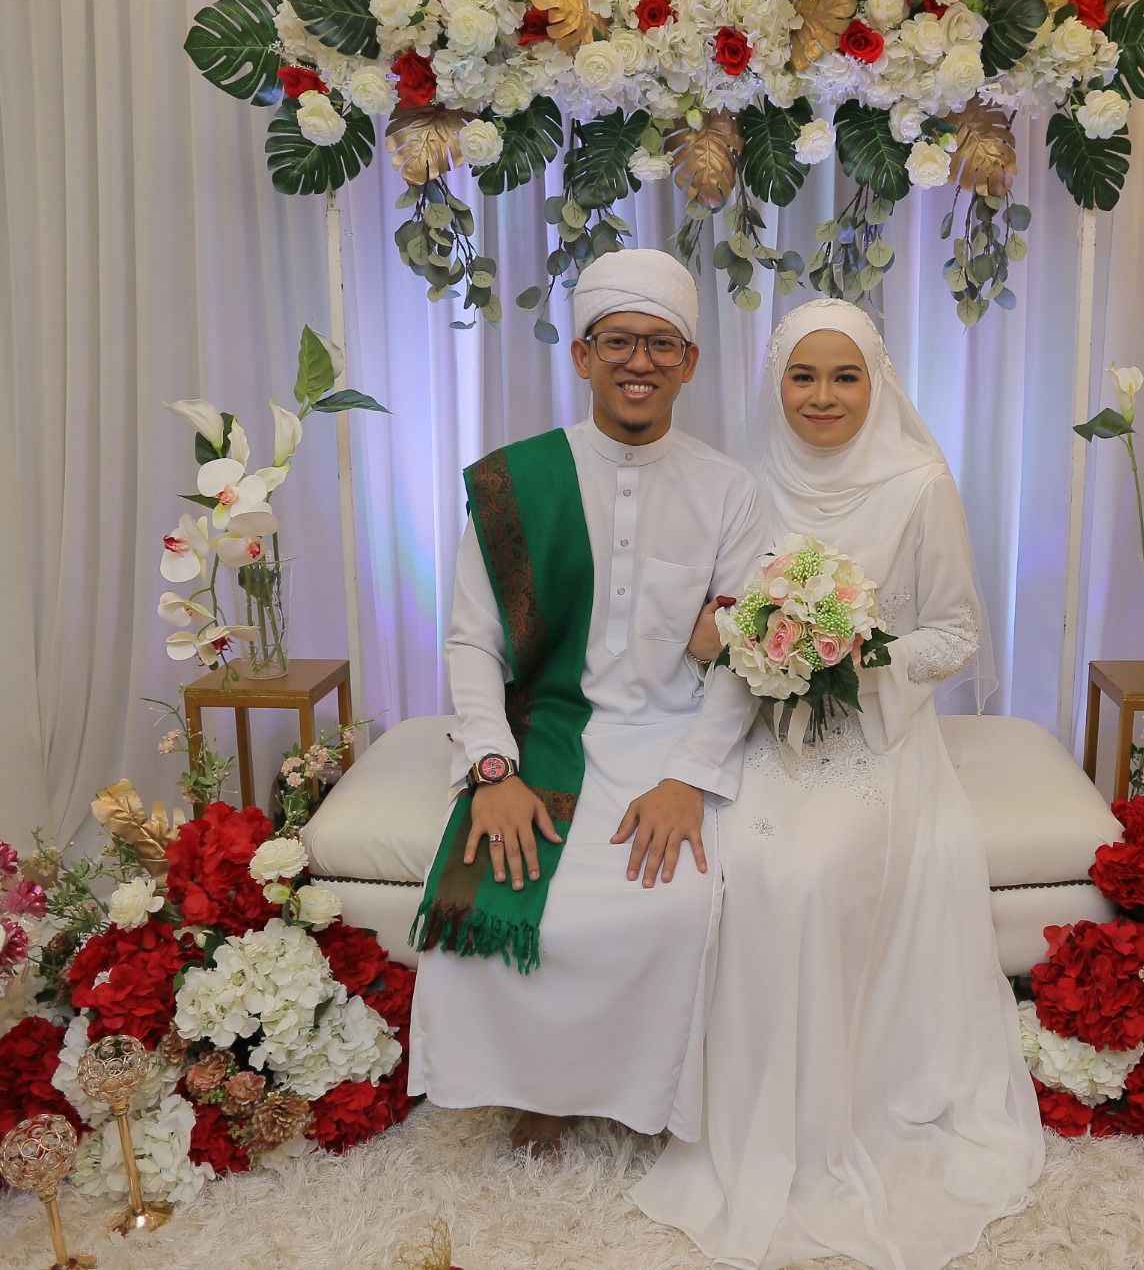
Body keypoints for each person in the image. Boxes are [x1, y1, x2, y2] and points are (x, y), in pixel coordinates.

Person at [632, 298, 1044, 1269]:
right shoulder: (744, 482)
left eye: (844, 376)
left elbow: (955, 631)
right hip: (760, 721)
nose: (823, 396)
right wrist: (745, 642)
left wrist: (855, 652)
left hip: (875, 732)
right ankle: (722, 1111)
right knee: (731, 861)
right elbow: (710, 621)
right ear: (775, 383)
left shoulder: (917, 483)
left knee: (807, 877)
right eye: (803, 376)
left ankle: (822, 1123)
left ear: (876, 382)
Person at [408, 249, 769, 1152]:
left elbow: (747, 658)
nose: (638, 361)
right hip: (545, 728)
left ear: (689, 362)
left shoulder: (730, 491)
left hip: (671, 738)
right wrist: (493, 769)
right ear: (581, 354)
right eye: (617, 341)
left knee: (672, 904)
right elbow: (472, 641)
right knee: (513, 883)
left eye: (660, 343)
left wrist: (690, 779)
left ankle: (642, 1091)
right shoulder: (513, 483)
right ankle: (541, 1084)